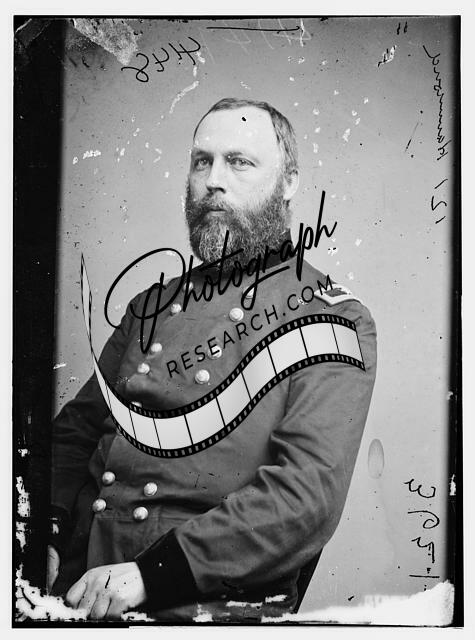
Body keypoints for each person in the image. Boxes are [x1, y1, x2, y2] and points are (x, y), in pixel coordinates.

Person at [48, 97, 377, 621]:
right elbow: (73, 434)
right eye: (202, 161)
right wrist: (40, 534)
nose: (213, 181)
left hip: (192, 603)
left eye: (239, 162)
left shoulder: (333, 318)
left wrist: (149, 576)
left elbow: (305, 497)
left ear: (288, 183)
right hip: (74, 585)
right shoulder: (152, 305)